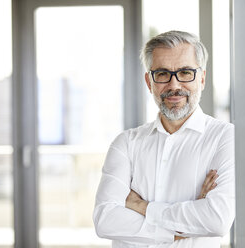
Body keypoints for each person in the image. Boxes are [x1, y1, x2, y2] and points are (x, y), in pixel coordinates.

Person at [93, 30, 235, 248]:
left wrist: (142, 206)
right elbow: (105, 220)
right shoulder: (126, 144)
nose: (174, 85)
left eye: (186, 72)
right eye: (162, 74)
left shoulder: (224, 138)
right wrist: (186, 222)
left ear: (202, 78)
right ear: (149, 82)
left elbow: (217, 220)